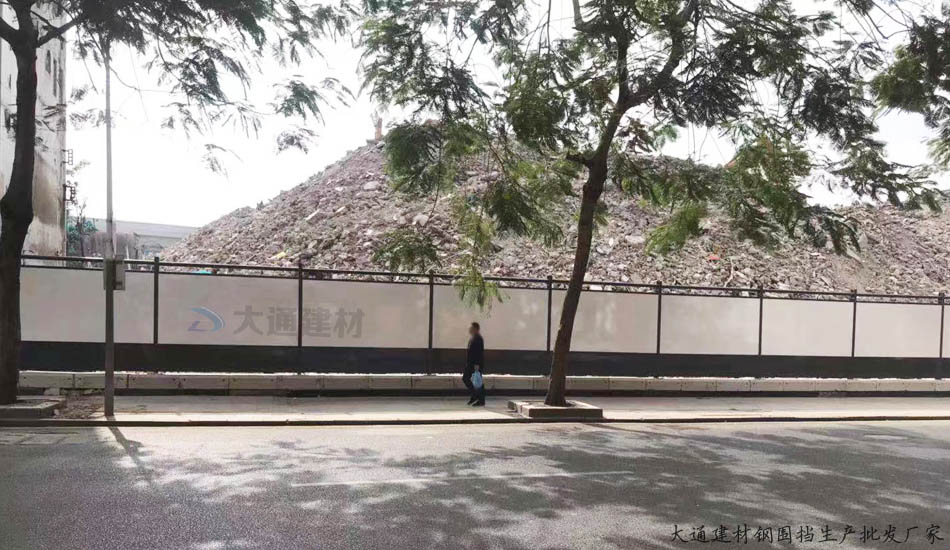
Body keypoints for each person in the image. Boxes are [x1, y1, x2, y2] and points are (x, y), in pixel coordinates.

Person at [463, 322, 485, 406]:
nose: (469, 329)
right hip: (471, 363)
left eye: (471, 328)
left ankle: (480, 399)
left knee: (477, 381)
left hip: (475, 364)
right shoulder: (473, 338)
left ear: (476, 329)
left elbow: (478, 353)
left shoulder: (478, 339)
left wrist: (477, 364)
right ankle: (475, 396)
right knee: (468, 379)